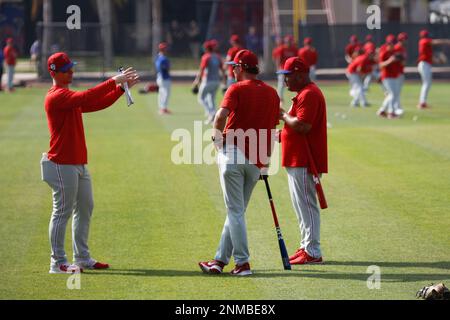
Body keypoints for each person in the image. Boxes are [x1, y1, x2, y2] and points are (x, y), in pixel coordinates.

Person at [41, 52, 139, 273]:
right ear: (53, 72)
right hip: (62, 163)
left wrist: (120, 90)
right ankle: (57, 262)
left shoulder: (67, 96)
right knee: (62, 212)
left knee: (85, 208)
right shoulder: (56, 96)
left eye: (71, 68)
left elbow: (95, 104)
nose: (71, 72)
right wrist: (113, 81)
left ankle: (82, 257)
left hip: (78, 162)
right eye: (66, 69)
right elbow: (86, 97)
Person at [199, 49, 280, 276]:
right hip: (256, 161)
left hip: (233, 155)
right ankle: (219, 261)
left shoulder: (236, 88)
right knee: (237, 212)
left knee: (235, 211)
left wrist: (216, 140)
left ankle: (243, 263)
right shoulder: (273, 93)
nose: (231, 69)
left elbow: (220, 116)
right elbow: (272, 128)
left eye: (234, 66)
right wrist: (266, 162)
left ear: (241, 68)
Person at [277, 57, 327, 265]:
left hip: (305, 159)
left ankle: (313, 251)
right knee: (301, 206)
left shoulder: (309, 94)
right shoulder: (303, 94)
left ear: (299, 74)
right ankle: (306, 245)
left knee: (306, 206)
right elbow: (295, 128)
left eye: (287, 76)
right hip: (296, 158)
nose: (285, 81)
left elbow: (303, 126)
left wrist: (281, 114)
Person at [192, 40, 226, 124]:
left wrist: (197, 80)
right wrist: (224, 81)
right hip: (217, 81)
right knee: (211, 98)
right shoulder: (217, 57)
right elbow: (222, 70)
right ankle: (213, 117)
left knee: (201, 98)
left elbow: (201, 70)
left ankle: (211, 113)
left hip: (207, 81)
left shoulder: (206, 57)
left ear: (206, 48)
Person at [417, 30, 450, 109]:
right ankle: (422, 103)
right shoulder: (423, 41)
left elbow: (429, 57)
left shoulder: (426, 45)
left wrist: (438, 61)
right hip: (424, 65)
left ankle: (422, 102)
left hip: (425, 64)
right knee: (426, 83)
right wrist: (446, 41)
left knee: (427, 83)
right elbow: (435, 42)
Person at [377, 35, 401, 119]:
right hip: (386, 76)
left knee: (392, 94)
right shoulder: (384, 52)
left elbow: (399, 62)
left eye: (393, 43)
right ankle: (391, 112)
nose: (392, 45)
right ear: (387, 43)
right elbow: (380, 65)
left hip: (393, 75)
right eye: (390, 43)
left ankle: (382, 111)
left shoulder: (394, 51)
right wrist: (390, 61)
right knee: (392, 94)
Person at [274, 35, 298, 103]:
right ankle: (280, 98)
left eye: (290, 41)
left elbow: (296, 59)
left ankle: (297, 97)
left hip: (291, 69)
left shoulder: (294, 49)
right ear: (285, 41)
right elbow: (278, 59)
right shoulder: (282, 48)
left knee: (294, 83)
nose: (289, 43)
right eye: (288, 41)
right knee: (281, 84)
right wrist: (278, 67)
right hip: (283, 69)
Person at [393, 32, 408, 116]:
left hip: (400, 71)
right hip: (397, 72)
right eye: (404, 39)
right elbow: (397, 60)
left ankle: (397, 107)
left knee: (397, 91)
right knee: (396, 91)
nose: (406, 41)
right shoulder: (397, 47)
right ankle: (396, 108)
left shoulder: (402, 48)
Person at [155, 42, 172, 115]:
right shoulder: (164, 58)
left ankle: (161, 107)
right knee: (166, 93)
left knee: (161, 93)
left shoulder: (158, 57)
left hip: (159, 76)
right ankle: (163, 109)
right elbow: (166, 68)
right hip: (164, 77)